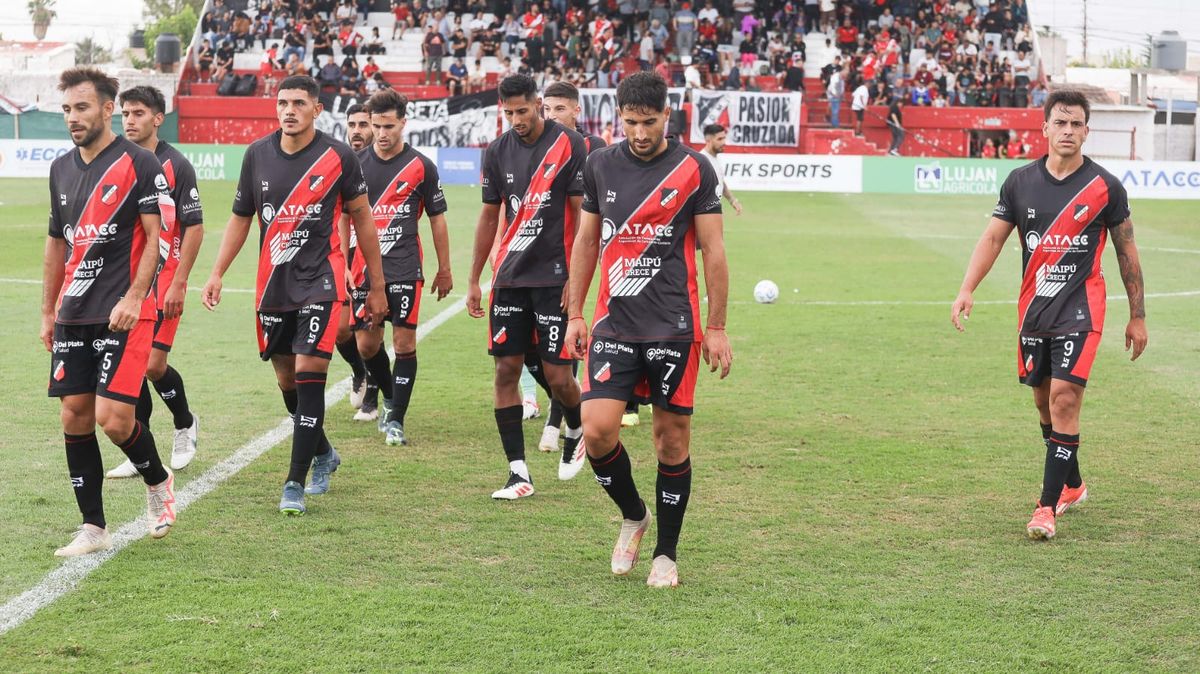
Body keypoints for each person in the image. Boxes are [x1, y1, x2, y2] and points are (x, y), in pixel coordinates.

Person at [951, 89, 1148, 541]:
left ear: (1087, 131)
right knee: (1043, 402)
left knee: (1064, 399)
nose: (1068, 131)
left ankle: (1046, 506)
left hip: (1082, 308)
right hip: (1035, 309)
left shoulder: (1105, 187)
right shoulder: (1019, 182)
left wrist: (1138, 315)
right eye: (1060, 122)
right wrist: (966, 288)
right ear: (1044, 128)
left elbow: (1127, 251)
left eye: (1076, 124)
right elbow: (993, 239)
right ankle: (1072, 484)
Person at [564, 71, 732, 588]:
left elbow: (714, 251)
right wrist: (575, 313)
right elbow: (586, 241)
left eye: (649, 122)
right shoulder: (599, 164)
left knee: (670, 441)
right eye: (631, 122)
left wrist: (717, 326)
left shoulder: (694, 168)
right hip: (614, 323)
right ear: (619, 117)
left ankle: (666, 553)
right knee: (596, 430)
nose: (639, 133)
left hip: (674, 326)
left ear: (667, 116)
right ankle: (634, 515)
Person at [201, 75, 388, 515]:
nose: (289, 110)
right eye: (283, 102)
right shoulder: (256, 155)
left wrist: (376, 286)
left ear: (317, 109)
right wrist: (216, 272)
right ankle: (324, 452)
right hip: (273, 285)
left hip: (321, 281)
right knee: (287, 381)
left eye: (299, 103)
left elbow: (363, 219)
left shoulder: (338, 156)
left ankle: (294, 483)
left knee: (309, 373)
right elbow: (241, 218)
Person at [43, 68, 177, 556]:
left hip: (125, 312)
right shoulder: (60, 168)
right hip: (73, 312)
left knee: (115, 420)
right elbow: (56, 244)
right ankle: (93, 527)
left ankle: (158, 480)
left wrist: (136, 296)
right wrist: (47, 312)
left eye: (81, 107)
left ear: (106, 108)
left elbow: (158, 237)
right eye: (66, 109)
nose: (72, 117)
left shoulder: (140, 162)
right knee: (74, 415)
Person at [465, 74, 589, 498]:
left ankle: (576, 426)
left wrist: (575, 279)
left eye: (522, 110)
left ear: (538, 104)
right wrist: (474, 279)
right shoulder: (497, 151)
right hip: (509, 277)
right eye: (509, 113)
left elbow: (582, 215)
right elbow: (489, 216)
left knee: (558, 376)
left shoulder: (569, 145)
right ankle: (518, 473)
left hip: (554, 278)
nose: (516, 120)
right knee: (505, 369)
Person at [342, 89, 453, 446]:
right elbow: (343, 217)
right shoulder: (355, 164)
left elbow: (437, 219)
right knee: (366, 345)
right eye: (376, 126)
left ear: (403, 123)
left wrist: (444, 268)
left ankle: (396, 420)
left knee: (404, 344)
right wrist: (343, 262)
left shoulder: (421, 166)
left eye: (388, 126)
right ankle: (390, 397)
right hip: (363, 270)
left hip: (405, 267)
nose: (381, 133)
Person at [104, 86, 204, 480]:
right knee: (132, 367)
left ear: (158, 118)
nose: (130, 120)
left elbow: (194, 227)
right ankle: (139, 450)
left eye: (139, 113)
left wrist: (180, 281)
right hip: (125, 284)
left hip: (164, 282)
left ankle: (185, 422)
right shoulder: (117, 161)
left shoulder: (175, 164)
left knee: (152, 364)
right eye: (125, 113)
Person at [531, 80, 608, 451]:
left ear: (577, 110)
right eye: (547, 109)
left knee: (569, 331)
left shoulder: (594, 148)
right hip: (536, 258)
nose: (552, 116)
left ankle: (556, 417)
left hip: (578, 257)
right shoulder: (536, 144)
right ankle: (564, 400)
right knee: (530, 347)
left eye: (560, 108)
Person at [700, 123, 742, 216]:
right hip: (704, 213)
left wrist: (732, 200)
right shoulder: (702, 161)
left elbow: (720, 182)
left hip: (713, 211)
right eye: (719, 139)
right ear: (708, 140)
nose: (724, 142)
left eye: (724, 138)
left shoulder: (716, 158)